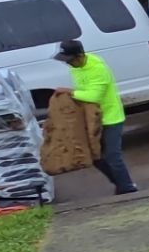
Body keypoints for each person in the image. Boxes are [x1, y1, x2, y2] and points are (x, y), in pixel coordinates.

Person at [56, 38, 136, 194]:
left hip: (111, 117)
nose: (68, 64)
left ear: (79, 56)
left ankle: (127, 187)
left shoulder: (98, 69)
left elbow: (94, 96)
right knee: (95, 156)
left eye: (70, 60)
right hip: (93, 119)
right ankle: (119, 183)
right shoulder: (76, 68)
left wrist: (70, 92)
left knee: (113, 155)